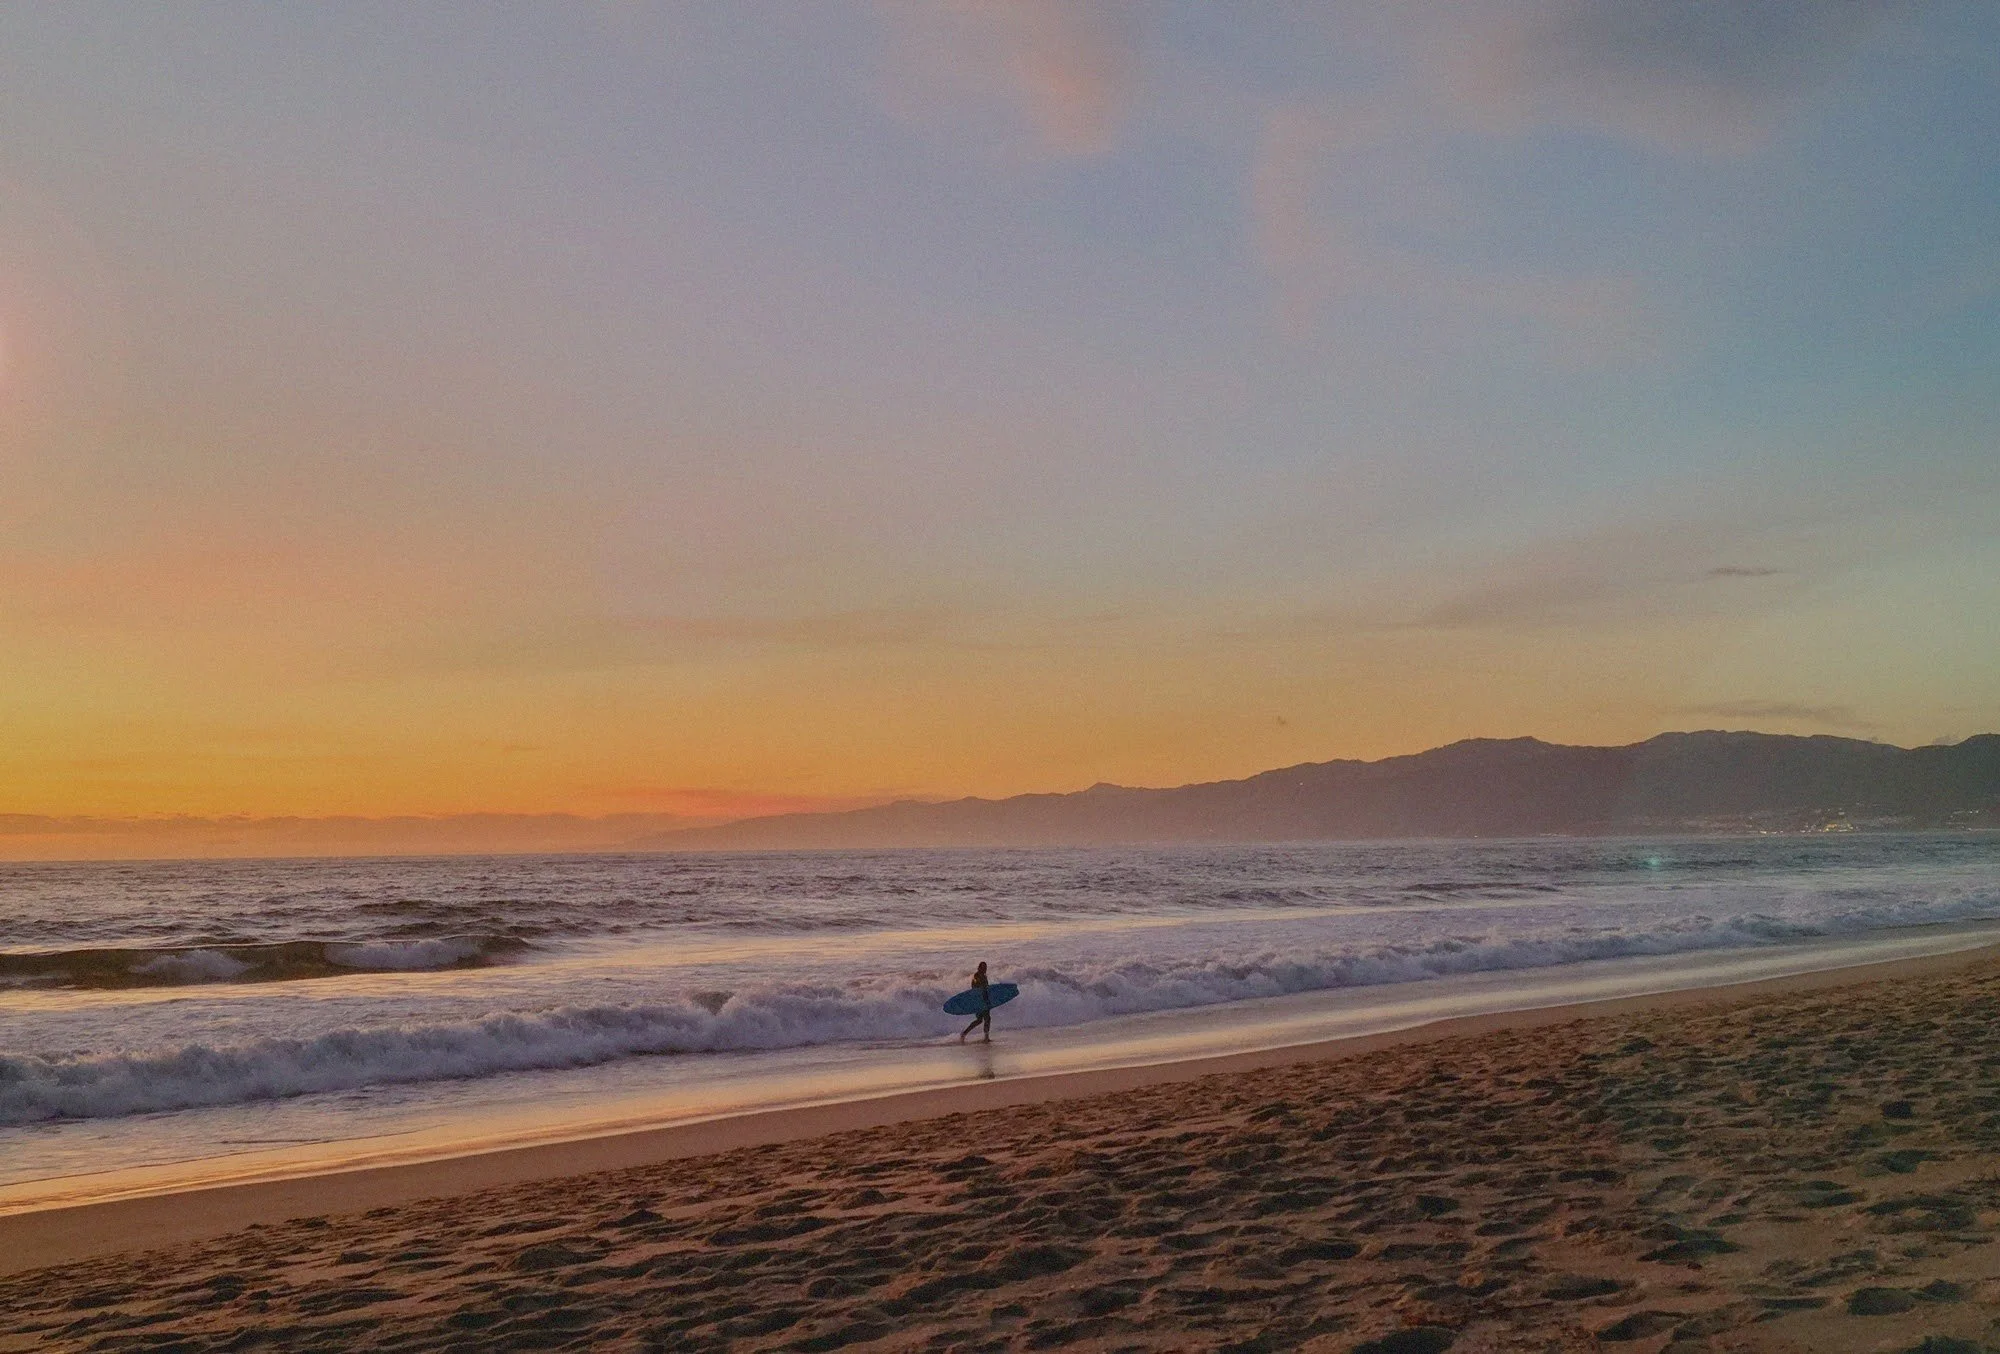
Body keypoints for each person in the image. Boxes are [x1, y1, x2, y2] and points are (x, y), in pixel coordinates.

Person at [959, 960, 994, 1043]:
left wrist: (988, 999)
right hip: (979, 1001)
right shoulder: (976, 976)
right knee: (984, 1019)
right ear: (979, 968)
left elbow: (986, 989)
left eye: (986, 968)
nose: (985, 969)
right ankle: (984, 1037)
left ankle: (965, 1033)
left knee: (982, 1019)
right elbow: (975, 988)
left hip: (985, 1000)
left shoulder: (984, 976)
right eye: (983, 968)